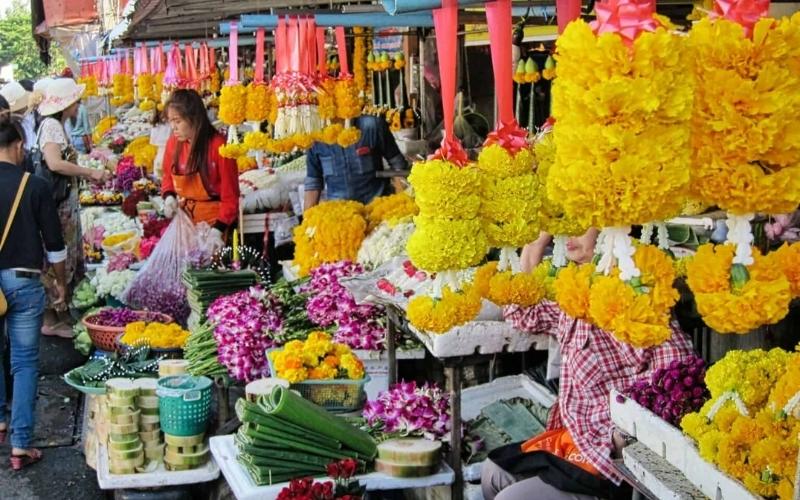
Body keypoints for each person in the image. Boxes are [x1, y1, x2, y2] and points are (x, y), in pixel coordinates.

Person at [481, 229, 695, 500]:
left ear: (611, 230)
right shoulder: (576, 287)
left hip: (607, 457)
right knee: (493, 473)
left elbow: (680, 370)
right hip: (574, 435)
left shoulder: (634, 296)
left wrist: (623, 437)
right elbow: (523, 313)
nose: (568, 232)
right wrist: (535, 243)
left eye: (581, 225)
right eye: (565, 223)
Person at [0, 111, 68, 469]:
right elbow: (55, 245)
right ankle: (21, 445)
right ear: (17, 146)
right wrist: (60, 283)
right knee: (23, 363)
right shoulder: (34, 185)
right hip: (25, 282)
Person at [37, 78, 111, 338]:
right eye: (76, 100)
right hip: (58, 204)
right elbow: (55, 164)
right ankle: (54, 316)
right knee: (57, 255)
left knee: (58, 255)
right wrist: (89, 172)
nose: (78, 105)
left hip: (62, 200)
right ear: (67, 103)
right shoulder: (52, 126)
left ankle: (58, 314)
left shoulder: (56, 125)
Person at [161, 89, 239, 249]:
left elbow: (230, 197)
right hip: (185, 220)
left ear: (194, 118)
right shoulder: (173, 143)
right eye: (170, 121)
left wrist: (218, 230)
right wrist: (169, 197)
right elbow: (167, 176)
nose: (173, 127)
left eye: (178, 121)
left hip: (215, 222)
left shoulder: (220, 146)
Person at [304, 115, 408, 210]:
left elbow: (398, 166)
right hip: (340, 217)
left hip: (377, 211)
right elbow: (313, 183)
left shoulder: (372, 126)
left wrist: (401, 203)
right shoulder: (315, 137)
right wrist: (306, 223)